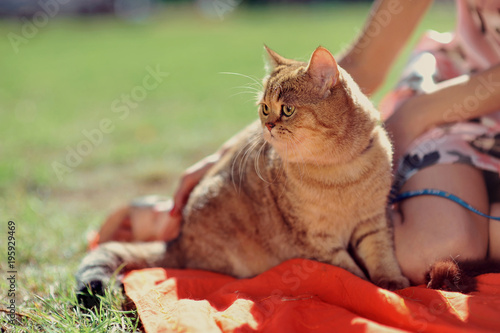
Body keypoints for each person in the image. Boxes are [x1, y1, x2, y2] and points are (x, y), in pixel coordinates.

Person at [97, 0, 500, 285]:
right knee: (437, 249)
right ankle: (177, 219)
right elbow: (358, 66)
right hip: (455, 101)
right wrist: (230, 153)